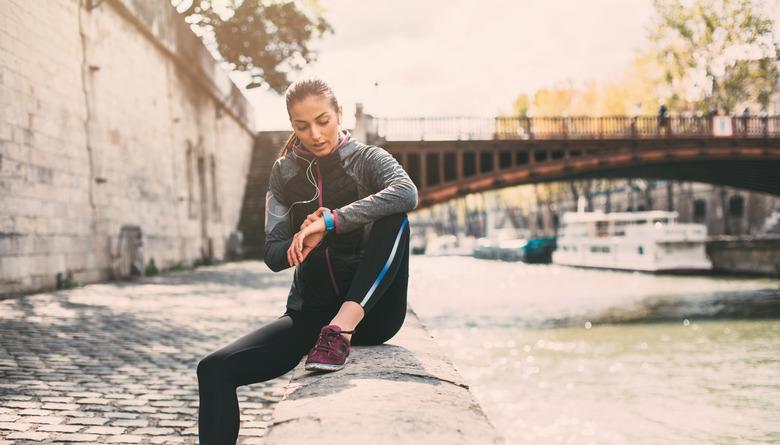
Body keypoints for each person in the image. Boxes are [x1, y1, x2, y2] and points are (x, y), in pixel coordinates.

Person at [196, 78, 418, 444]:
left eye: (323, 121)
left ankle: (341, 327)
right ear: (292, 126)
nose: (315, 134)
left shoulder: (368, 160)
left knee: (396, 216)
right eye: (302, 126)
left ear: (339, 115)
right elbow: (272, 253)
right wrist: (302, 242)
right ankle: (328, 331)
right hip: (310, 313)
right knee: (213, 369)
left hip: (371, 316)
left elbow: (406, 192)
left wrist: (331, 221)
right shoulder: (284, 172)